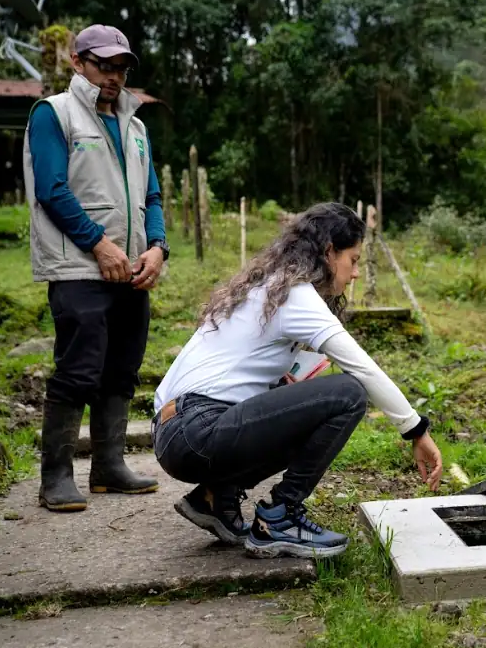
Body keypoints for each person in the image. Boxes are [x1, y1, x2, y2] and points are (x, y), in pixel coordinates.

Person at [152, 202, 443, 559]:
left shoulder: (267, 286)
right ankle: (280, 516)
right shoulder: (296, 295)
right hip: (196, 431)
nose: (354, 274)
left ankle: (215, 497)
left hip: (174, 430)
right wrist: (415, 429)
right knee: (348, 393)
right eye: (353, 260)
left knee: (298, 400)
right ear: (329, 251)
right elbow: (363, 369)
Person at [24, 24, 169, 512]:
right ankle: (56, 478)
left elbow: (150, 196)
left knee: (121, 370)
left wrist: (158, 247)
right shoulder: (54, 114)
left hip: (131, 270)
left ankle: (108, 467)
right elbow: (52, 190)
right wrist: (99, 246)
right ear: (76, 61)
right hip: (78, 269)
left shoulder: (136, 125)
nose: (113, 76)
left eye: (121, 67)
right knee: (78, 370)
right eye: (103, 65)